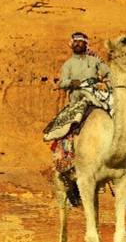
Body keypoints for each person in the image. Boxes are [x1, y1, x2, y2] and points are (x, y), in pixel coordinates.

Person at [43, 32, 113, 174]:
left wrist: (106, 82)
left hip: (95, 98)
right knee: (66, 127)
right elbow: (62, 82)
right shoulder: (68, 64)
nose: (78, 44)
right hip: (77, 101)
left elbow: (108, 74)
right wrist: (73, 82)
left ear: (86, 44)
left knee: (113, 114)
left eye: (81, 41)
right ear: (72, 44)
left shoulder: (95, 61)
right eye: (75, 41)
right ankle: (66, 158)